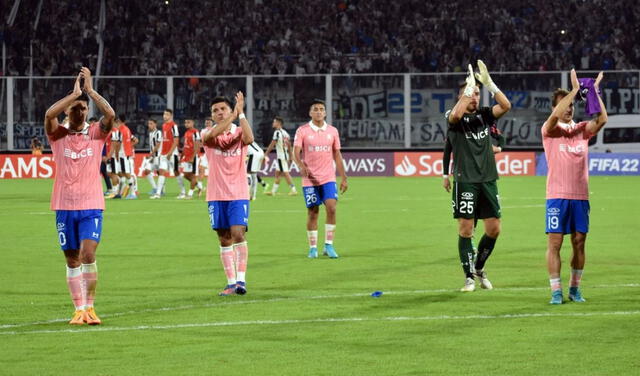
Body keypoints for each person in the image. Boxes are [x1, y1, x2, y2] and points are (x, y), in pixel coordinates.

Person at [44, 67, 115, 325]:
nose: (80, 111)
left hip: (91, 205)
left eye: (83, 108)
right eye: (75, 107)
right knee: (71, 258)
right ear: (67, 111)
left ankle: (91, 307)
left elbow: (110, 114)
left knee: (87, 254)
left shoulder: (95, 133)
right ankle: (78, 309)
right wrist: (73, 94)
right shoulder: (57, 135)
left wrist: (90, 91)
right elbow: (49, 114)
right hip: (64, 205)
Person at [444, 61, 511, 292]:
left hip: (488, 180)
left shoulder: (485, 115)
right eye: (471, 94)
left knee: (494, 229)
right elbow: (454, 116)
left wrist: (489, 84)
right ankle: (469, 278)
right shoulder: (454, 116)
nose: (475, 98)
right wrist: (467, 90)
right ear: (461, 97)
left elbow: (505, 105)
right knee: (466, 230)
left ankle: (480, 267)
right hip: (465, 180)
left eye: (477, 95)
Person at [542, 70, 607, 304]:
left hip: (580, 196)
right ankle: (556, 291)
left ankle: (574, 288)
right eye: (564, 106)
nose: (569, 109)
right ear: (555, 108)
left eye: (571, 105)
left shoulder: (581, 131)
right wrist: (574, 91)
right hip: (557, 196)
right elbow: (555, 116)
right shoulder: (549, 131)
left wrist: (593, 92)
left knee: (579, 241)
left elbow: (602, 119)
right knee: (555, 243)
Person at [202, 93, 254, 296]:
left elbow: (249, 138)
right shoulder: (207, 133)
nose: (219, 113)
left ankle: (241, 281)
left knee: (238, 233)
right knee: (224, 238)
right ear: (212, 115)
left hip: (238, 192)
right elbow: (210, 138)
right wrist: (233, 114)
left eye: (222, 109)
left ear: (228, 109)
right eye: (215, 110)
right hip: (216, 194)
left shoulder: (240, 131)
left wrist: (240, 114)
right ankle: (230, 283)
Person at [442, 122, 506, 273]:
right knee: (467, 223)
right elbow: (447, 151)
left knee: (492, 226)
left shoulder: (485, 123)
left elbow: (500, 137)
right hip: (465, 177)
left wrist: (498, 148)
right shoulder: (456, 128)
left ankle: (477, 261)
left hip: (485, 177)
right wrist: (445, 175)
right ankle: (469, 269)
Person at [292, 99, 348, 259]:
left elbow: (337, 154)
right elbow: (296, 151)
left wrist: (343, 176)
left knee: (331, 208)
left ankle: (329, 245)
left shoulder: (332, 131)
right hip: (310, 179)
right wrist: (300, 164)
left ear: (325, 112)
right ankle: (313, 247)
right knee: (313, 211)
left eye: (321, 109)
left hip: (328, 177)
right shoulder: (302, 131)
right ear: (310, 113)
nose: (318, 111)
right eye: (315, 109)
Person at [152, 109, 185, 199]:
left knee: (176, 172)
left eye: (166, 114)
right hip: (163, 154)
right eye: (164, 114)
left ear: (171, 116)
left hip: (172, 153)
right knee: (162, 171)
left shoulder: (174, 126)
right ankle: (158, 193)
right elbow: (165, 140)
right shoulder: (164, 125)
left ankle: (183, 192)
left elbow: (176, 140)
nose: (164, 116)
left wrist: (170, 152)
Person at [264, 116, 297, 196]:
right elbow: (289, 145)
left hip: (281, 157)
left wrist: (266, 153)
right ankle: (273, 191)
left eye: (274, 122)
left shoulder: (277, 132)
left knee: (286, 173)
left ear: (278, 123)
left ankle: (293, 189)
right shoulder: (285, 133)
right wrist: (291, 155)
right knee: (277, 174)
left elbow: (273, 143)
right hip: (284, 156)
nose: (273, 123)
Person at [180, 118, 203, 199]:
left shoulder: (195, 132)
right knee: (186, 175)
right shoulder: (186, 133)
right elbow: (185, 146)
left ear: (193, 123)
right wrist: (181, 156)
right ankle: (199, 187)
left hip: (193, 157)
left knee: (193, 176)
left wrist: (193, 157)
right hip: (186, 157)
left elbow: (197, 145)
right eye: (185, 122)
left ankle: (190, 194)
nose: (186, 124)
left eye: (188, 122)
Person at [141, 118, 162, 195]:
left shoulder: (158, 133)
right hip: (153, 156)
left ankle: (161, 190)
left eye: (151, 124)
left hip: (159, 156)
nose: (149, 125)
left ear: (155, 124)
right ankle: (155, 188)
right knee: (146, 171)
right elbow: (152, 146)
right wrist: (151, 155)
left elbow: (158, 144)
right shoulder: (150, 134)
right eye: (149, 124)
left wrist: (151, 154)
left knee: (160, 173)